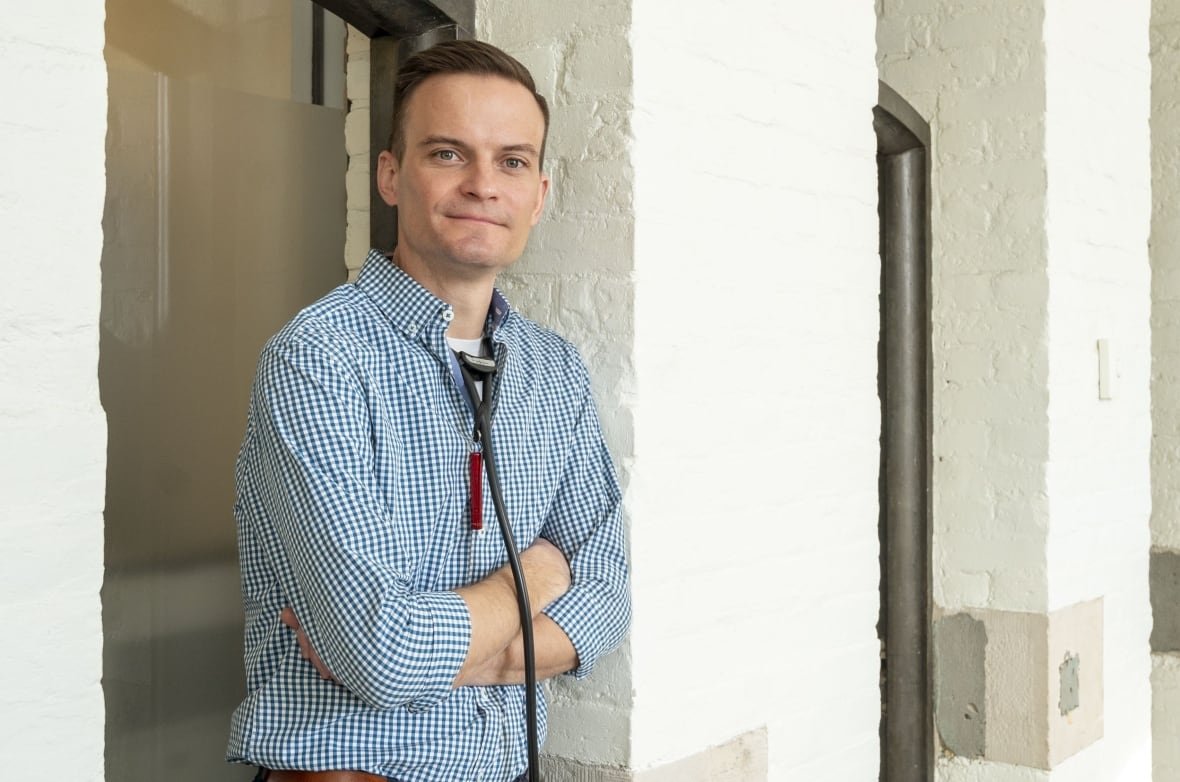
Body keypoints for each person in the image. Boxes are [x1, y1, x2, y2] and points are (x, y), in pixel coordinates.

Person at [226, 39, 631, 782]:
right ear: (390, 175)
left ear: (538, 194)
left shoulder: (553, 371)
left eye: (512, 161)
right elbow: (382, 651)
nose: (483, 184)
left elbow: (608, 598)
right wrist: (532, 580)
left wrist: (447, 657)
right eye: (448, 154)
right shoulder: (318, 360)